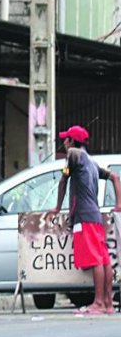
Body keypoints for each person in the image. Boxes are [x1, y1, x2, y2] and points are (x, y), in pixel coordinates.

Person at [54, 125, 121, 314]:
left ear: (72, 141)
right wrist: (118, 204)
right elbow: (115, 177)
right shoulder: (91, 162)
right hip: (96, 216)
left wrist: (58, 207)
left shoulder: (73, 154)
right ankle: (108, 304)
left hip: (83, 215)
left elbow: (63, 180)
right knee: (103, 259)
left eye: (66, 139)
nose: (64, 143)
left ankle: (98, 303)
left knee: (95, 260)